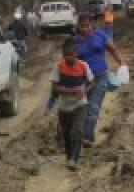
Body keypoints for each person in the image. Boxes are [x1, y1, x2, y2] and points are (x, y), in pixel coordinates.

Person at [73, 12, 126, 148]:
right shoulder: (75, 41)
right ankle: (75, 134)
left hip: (100, 77)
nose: (84, 29)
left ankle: (87, 137)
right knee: (80, 107)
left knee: (93, 107)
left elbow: (113, 49)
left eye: (87, 26)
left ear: (92, 25)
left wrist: (122, 63)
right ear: (78, 26)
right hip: (82, 80)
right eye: (82, 26)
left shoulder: (100, 36)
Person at [50, 37, 92, 169]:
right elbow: (55, 87)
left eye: (72, 54)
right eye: (66, 55)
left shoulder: (83, 66)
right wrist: (70, 90)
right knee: (66, 133)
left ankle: (74, 159)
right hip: (64, 106)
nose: (69, 57)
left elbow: (91, 82)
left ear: (76, 53)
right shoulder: (58, 67)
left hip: (80, 104)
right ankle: (69, 157)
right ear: (63, 55)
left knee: (77, 130)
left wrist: (84, 91)